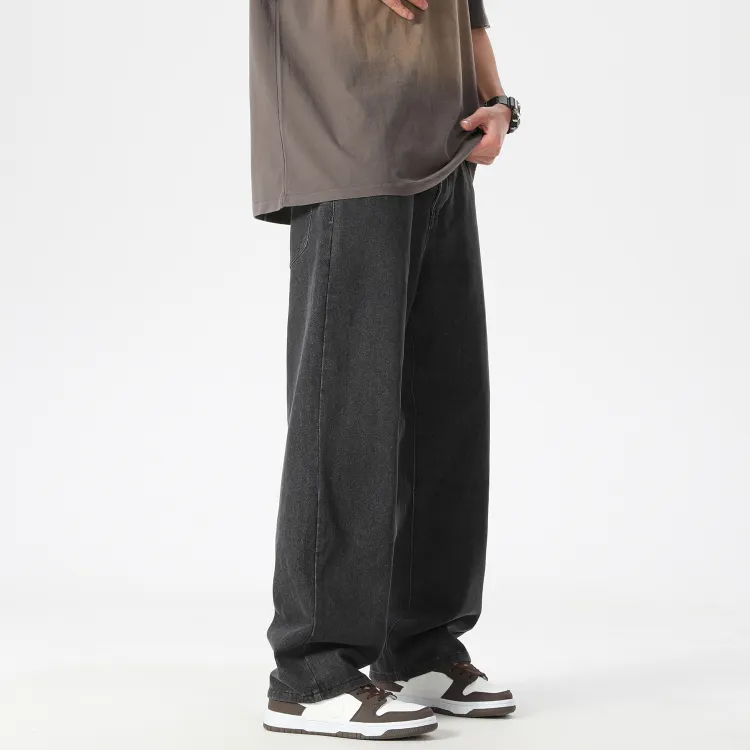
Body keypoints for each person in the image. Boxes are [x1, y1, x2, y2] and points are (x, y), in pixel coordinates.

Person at [250, 0, 521, 740]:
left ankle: (421, 645)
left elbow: (465, 12)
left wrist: (497, 100)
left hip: (443, 147)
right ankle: (312, 673)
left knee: (446, 412)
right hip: (348, 142)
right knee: (348, 409)